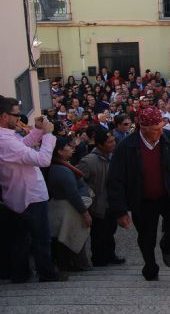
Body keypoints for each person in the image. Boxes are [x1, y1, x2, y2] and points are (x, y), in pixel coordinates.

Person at [107, 106, 170, 281]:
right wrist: (120, 211)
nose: (160, 132)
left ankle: (166, 246)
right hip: (143, 199)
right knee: (146, 237)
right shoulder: (126, 147)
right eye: (155, 129)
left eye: (161, 127)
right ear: (144, 128)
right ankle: (150, 266)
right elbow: (115, 180)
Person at [0, 97, 62, 282]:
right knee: (40, 238)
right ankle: (46, 274)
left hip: (17, 195)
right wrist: (49, 134)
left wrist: (37, 130)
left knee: (20, 240)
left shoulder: (7, 137)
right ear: (4, 116)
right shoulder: (6, 141)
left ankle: (21, 275)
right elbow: (43, 160)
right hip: (30, 195)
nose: (18, 118)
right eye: (16, 114)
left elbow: (23, 145)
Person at [77, 128, 125, 267]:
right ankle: (98, 259)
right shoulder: (88, 161)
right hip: (98, 205)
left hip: (111, 202)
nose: (113, 144)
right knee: (99, 234)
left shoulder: (113, 156)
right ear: (99, 144)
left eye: (113, 141)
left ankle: (110, 255)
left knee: (110, 230)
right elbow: (78, 181)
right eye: (109, 142)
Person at [46, 136, 92, 272]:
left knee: (65, 239)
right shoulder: (62, 170)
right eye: (69, 146)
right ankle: (75, 265)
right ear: (60, 151)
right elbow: (73, 194)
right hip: (67, 210)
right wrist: (85, 214)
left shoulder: (59, 166)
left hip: (63, 208)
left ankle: (71, 264)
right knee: (70, 238)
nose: (72, 148)